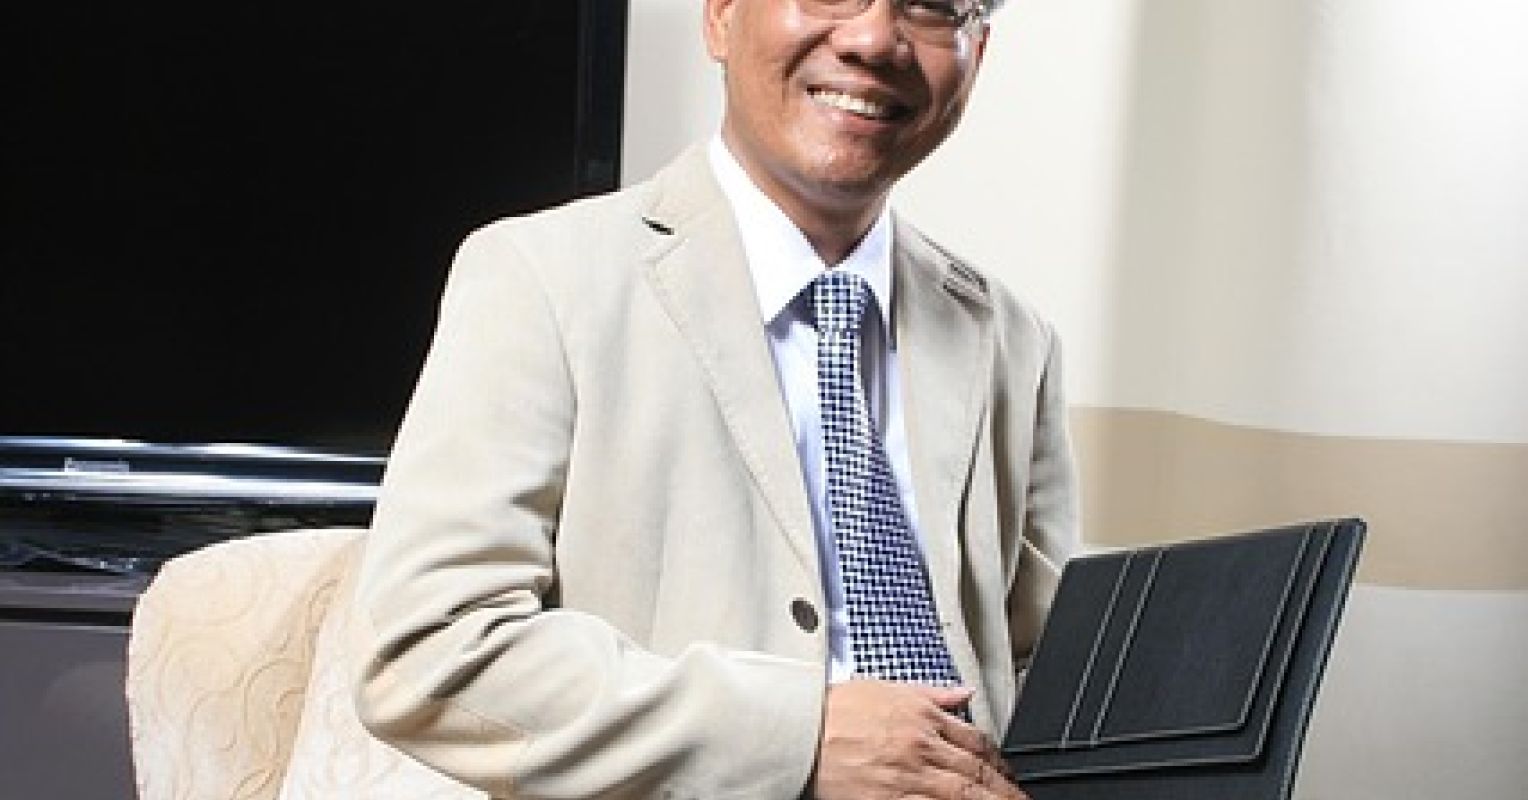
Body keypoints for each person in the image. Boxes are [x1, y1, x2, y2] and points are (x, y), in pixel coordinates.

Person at [351, 0, 1078, 798]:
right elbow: (431, 646)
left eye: (934, 4)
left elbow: (1045, 677)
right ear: (722, 16)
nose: (875, 39)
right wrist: (797, 739)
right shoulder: (542, 278)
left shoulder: (1014, 340)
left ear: (978, 53)